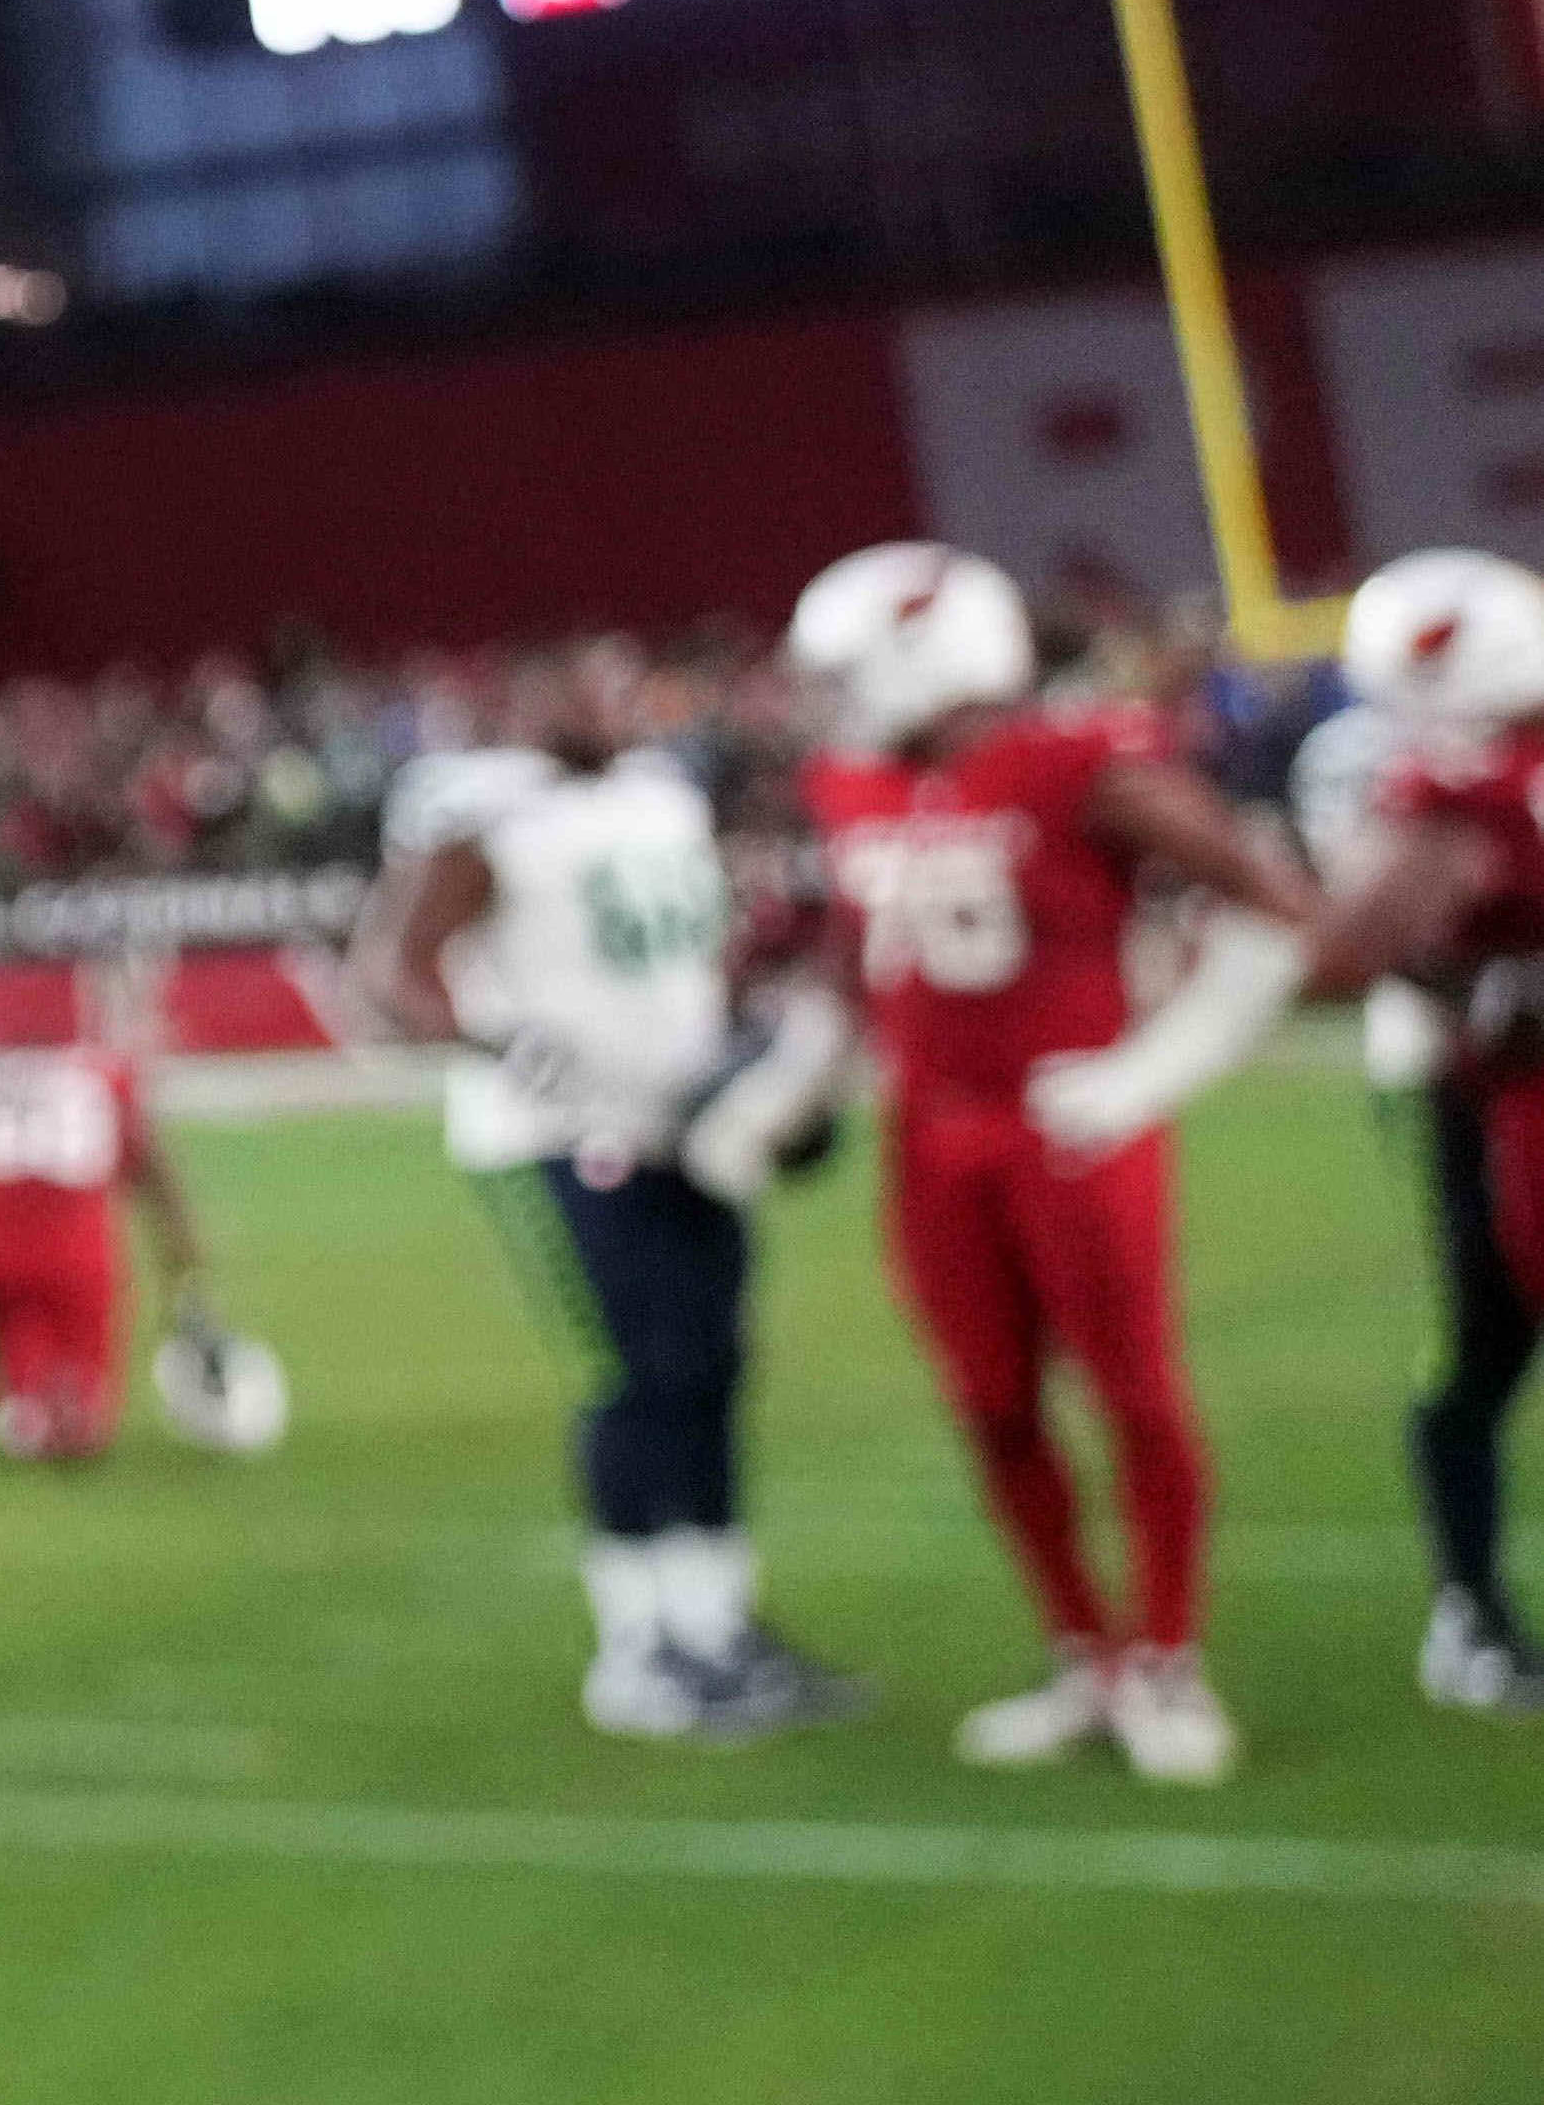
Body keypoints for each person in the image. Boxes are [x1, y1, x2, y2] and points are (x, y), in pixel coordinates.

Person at [773, 538, 1314, 1783]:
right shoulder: (848, 782)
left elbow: (1270, 907)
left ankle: (1167, 1653)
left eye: (847, 669)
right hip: (929, 1132)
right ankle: (1083, 1647)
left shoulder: (1077, 760)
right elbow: (856, 960)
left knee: (1132, 1393)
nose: (832, 697)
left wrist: (1151, 1070)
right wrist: (785, 1087)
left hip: (1070, 1124)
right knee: (990, 1403)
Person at [357, 663, 867, 1737]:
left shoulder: (663, 797)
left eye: (603, 686)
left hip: (687, 1118)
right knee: (637, 1372)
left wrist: (754, 1058)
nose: (585, 704)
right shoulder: (485, 818)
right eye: (559, 690)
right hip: (561, 1133)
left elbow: (698, 952)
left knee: (713, 1363)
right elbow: (391, 970)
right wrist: (498, 1042)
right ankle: (638, 1647)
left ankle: (717, 1623)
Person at [1293, 544, 1544, 1711]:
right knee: (1479, 1343)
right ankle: (1469, 1613)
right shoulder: (1396, 774)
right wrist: (1480, 998)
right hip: (1477, 1082)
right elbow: (1360, 944)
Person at [0, 985, 194, 1463]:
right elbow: (149, 1168)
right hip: (71, 1254)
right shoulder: (106, 1075)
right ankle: (58, 1410)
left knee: (22, 1360)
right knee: (82, 1421)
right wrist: (184, 1252)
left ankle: (24, 1400)